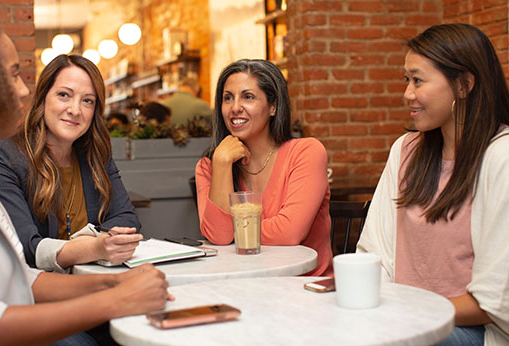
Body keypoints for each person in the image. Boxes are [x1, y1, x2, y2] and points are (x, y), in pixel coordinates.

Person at [0, 11, 170, 346]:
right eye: (14, 75)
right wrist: (116, 299)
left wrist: (113, 284)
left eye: (87, 101)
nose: (22, 92)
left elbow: (22, 277)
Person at [357, 23, 509, 345]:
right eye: (406, 80)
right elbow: (375, 252)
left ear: (464, 84)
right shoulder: (405, 150)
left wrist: (408, 314)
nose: (407, 94)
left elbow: (493, 301)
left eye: (418, 80)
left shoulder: (501, 156)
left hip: (470, 330)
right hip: (401, 318)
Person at [0, 54, 142, 273]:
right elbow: (24, 246)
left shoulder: (96, 154)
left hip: (94, 284)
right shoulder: (2, 159)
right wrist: (94, 247)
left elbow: (127, 219)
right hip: (36, 293)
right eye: (64, 95)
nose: (75, 110)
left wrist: (93, 245)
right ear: (43, 98)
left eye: (87, 101)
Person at [195, 59, 333, 276]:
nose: (235, 108)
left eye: (248, 97)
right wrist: (221, 163)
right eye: (228, 98)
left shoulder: (306, 152)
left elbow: (289, 233)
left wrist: (234, 230)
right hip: (246, 286)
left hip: (306, 289)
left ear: (273, 106)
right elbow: (219, 237)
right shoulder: (209, 166)